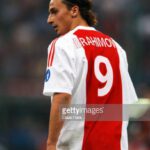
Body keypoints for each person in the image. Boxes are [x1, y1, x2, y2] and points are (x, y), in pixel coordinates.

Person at [43, 0, 138, 150]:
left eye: (54, 11)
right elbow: (128, 107)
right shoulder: (117, 48)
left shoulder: (62, 44)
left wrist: (51, 144)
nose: (49, 19)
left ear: (74, 11)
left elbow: (62, 96)